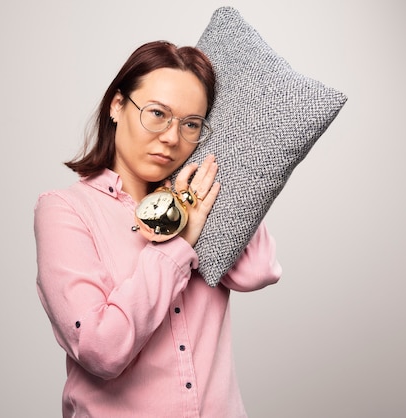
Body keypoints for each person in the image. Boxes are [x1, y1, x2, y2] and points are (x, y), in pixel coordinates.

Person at [34, 40, 282, 418]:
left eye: (191, 125)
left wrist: (225, 167)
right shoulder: (64, 210)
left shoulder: (196, 200)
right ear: (117, 105)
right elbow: (102, 349)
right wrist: (180, 243)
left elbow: (258, 270)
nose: (171, 137)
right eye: (157, 113)